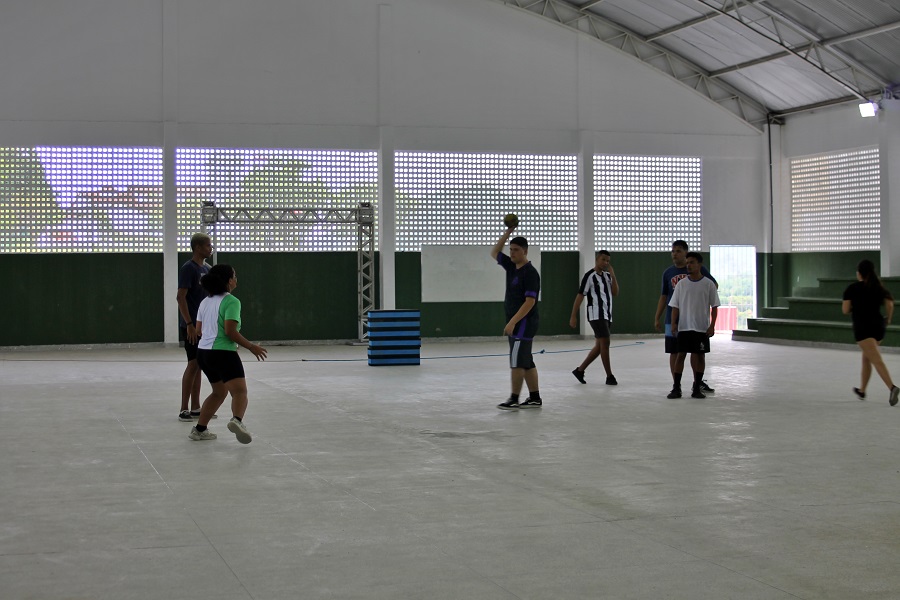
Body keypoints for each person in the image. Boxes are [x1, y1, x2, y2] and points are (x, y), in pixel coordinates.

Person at [189, 264, 268, 443]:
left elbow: (199, 329)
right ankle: (237, 421)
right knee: (240, 392)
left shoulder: (205, 301)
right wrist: (251, 347)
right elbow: (230, 332)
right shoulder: (232, 301)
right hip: (223, 353)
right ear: (229, 281)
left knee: (218, 392)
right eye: (235, 275)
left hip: (203, 353)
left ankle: (199, 430)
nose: (236, 279)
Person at [654, 240, 717, 394]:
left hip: (696, 320)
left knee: (697, 352)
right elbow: (664, 296)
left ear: (686, 253)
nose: (675, 254)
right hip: (673, 320)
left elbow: (713, 287)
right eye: (673, 251)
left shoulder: (700, 271)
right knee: (675, 352)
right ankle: (676, 385)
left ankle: (698, 383)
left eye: (679, 251)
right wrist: (658, 317)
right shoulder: (668, 273)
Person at [490, 227, 542, 409]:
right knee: (526, 360)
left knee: (517, 361)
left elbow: (530, 302)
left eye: (516, 250)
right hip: (518, 323)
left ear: (525, 251)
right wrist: (507, 232)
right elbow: (495, 252)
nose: (512, 253)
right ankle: (535, 397)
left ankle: (514, 398)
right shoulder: (511, 267)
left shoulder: (530, 273)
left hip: (523, 324)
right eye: (511, 249)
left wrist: (512, 322)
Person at [841, 259, 900, 406]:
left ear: (859, 273)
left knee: (876, 360)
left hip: (863, 329)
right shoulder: (878, 287)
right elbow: (890, 304)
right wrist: (889, 319)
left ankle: (892, 387)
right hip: (878, 327)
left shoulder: (852, 288)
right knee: (867, 358)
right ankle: (862, 390)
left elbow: (845, 310)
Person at [668, 252, 720, 399]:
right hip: (684, 327)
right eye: (687, 262)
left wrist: (712, 325)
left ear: (699, 265)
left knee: (700, 356)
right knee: (681, 356)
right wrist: (673, 324)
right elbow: (675, 306)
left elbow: (714, 307)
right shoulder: (681, 284)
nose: (689, 265)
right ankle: (676, 388)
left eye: (692, 262)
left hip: (701, 328)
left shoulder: (708, 284)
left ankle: (697, 387)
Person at [176, 232, 212, 421]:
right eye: (207, 245)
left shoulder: (207, 269)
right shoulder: (188, 269)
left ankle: (196, 407)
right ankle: (184, 408)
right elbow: (180, 297)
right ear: (198, 248)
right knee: (192, 364)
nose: (210, 248)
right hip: (191, 326)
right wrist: (189, 324)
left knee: (199, 365)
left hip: (204, 327)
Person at [570, 250, 619, 385]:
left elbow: (615, 292)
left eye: (608, 261)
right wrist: (573, 316)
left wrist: (613, 275)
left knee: (600, 346)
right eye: (603, 260)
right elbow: (580, 295)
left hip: (607, 314)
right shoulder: (589, 276)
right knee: (606, 343)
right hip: (596, 315)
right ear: (597, 259)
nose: (605, 263)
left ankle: (580, 370)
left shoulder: (608, 276)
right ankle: (609, 376)